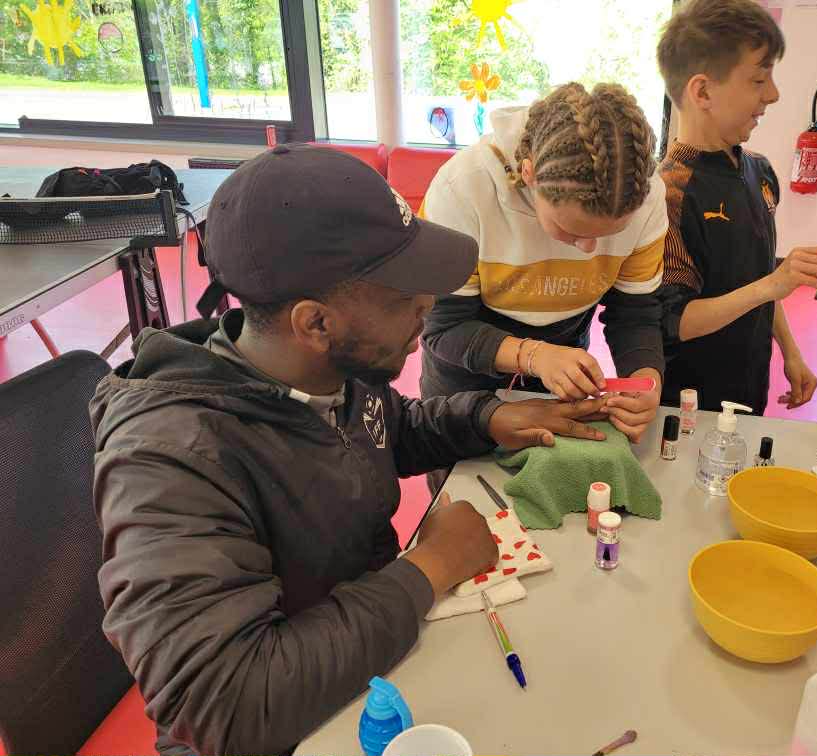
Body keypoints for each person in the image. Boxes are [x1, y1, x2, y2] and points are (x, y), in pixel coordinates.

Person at [91, 145, 608, 756]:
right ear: (316, 323)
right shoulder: (172, 460)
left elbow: (390, 431)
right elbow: (224, 704)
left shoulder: (332, 370)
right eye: (405, 295)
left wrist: (490, 416)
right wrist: (430, 567)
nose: (429, 308)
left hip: (370, 666)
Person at [419, 82, 668, 445]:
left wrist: (645, 379)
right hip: (466, 370)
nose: (588, 249)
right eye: (570, 229)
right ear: (529, 174)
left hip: (562, 359)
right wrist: (534, 355)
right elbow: (443, 326)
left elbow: (636, 312)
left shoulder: (647, 195)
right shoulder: (462, 189)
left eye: (613, 233)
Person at [655, 0, 817, 415]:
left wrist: (789, 351)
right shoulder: (667, 194)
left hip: (750, 383)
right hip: (687, 403)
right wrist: (773, 284)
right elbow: (673, 322)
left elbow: (759, 279)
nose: (773, 95)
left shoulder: (760, 171)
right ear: (702, 91)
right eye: (758, 80)